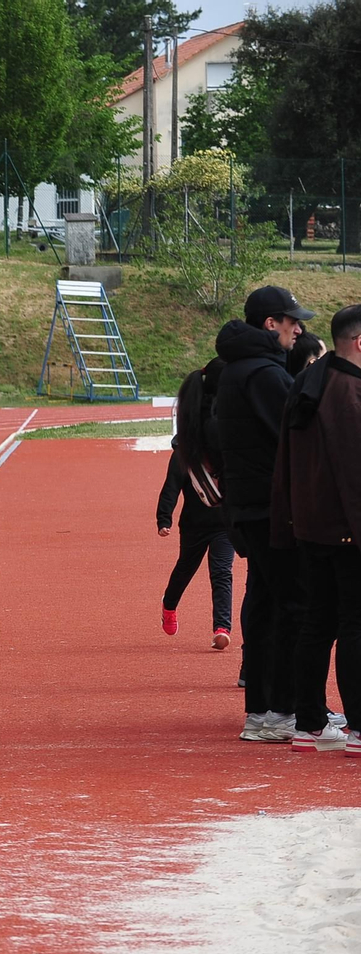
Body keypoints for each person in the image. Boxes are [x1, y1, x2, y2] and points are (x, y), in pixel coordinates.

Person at [210, 285, 311, 742]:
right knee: (294, 606)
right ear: (270, 325)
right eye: (291, 321)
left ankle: (263, 712)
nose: (298, 328)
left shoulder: (235, 369)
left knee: (268, 604)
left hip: (248, 506)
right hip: (273, 508)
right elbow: (297, 435)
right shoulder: (264, 375)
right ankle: (285, 711)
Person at [271, 304, 361, 756]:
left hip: (310, 524)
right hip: (346, 526)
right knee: (353, 624)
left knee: (317, 621)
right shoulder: (348, 391)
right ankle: (357, 728)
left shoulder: (311, 380)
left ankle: (307, 723)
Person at [157, 381, 234, 650]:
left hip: (223, 523)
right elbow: (171, 487)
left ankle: (222, 627)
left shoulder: (225, 448)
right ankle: (169, 604)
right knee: (185, 569)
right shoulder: (183, 455)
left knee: (222, 572)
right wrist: (163, 518)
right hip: (194, 525)